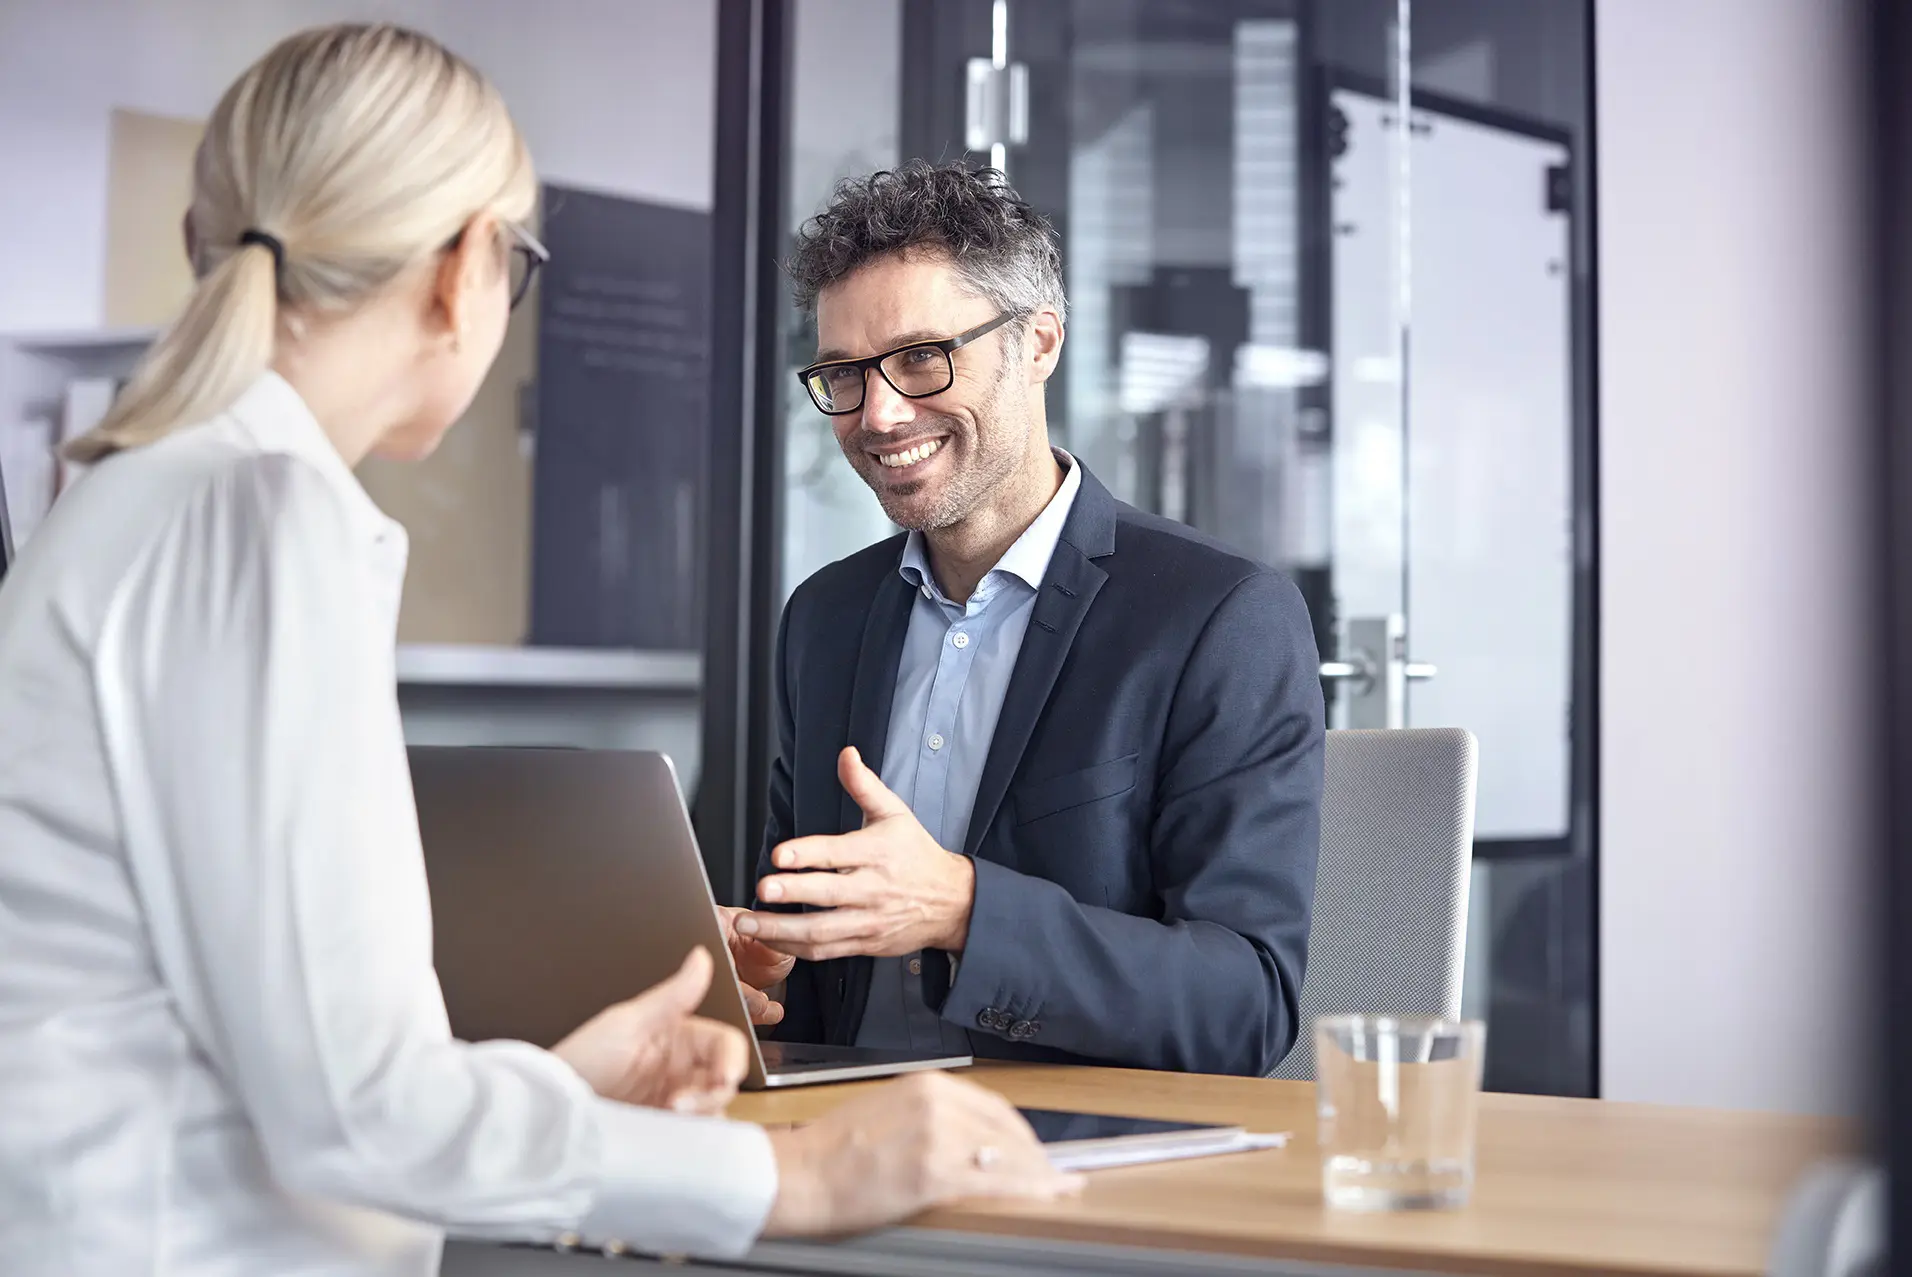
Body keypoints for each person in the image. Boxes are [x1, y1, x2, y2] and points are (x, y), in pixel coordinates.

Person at [0, 27, 1074, 1277]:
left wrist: (550, 1090)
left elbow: (261, 1046)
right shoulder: (259, 518)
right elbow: (351, 1108)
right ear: (467, 268)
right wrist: (792, 1172)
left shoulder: (145, 499)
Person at [721, 160, 1325, 1077]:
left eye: (923, 358)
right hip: (837, 1135)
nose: (879, 415)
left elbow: (1244, 1003)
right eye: (844, 372)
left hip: (1076, 1162)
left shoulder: (1219, 617)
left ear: (1038, 342)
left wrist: (964, 911)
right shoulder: (826, 618)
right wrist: (759, 965)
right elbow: (814, 949)